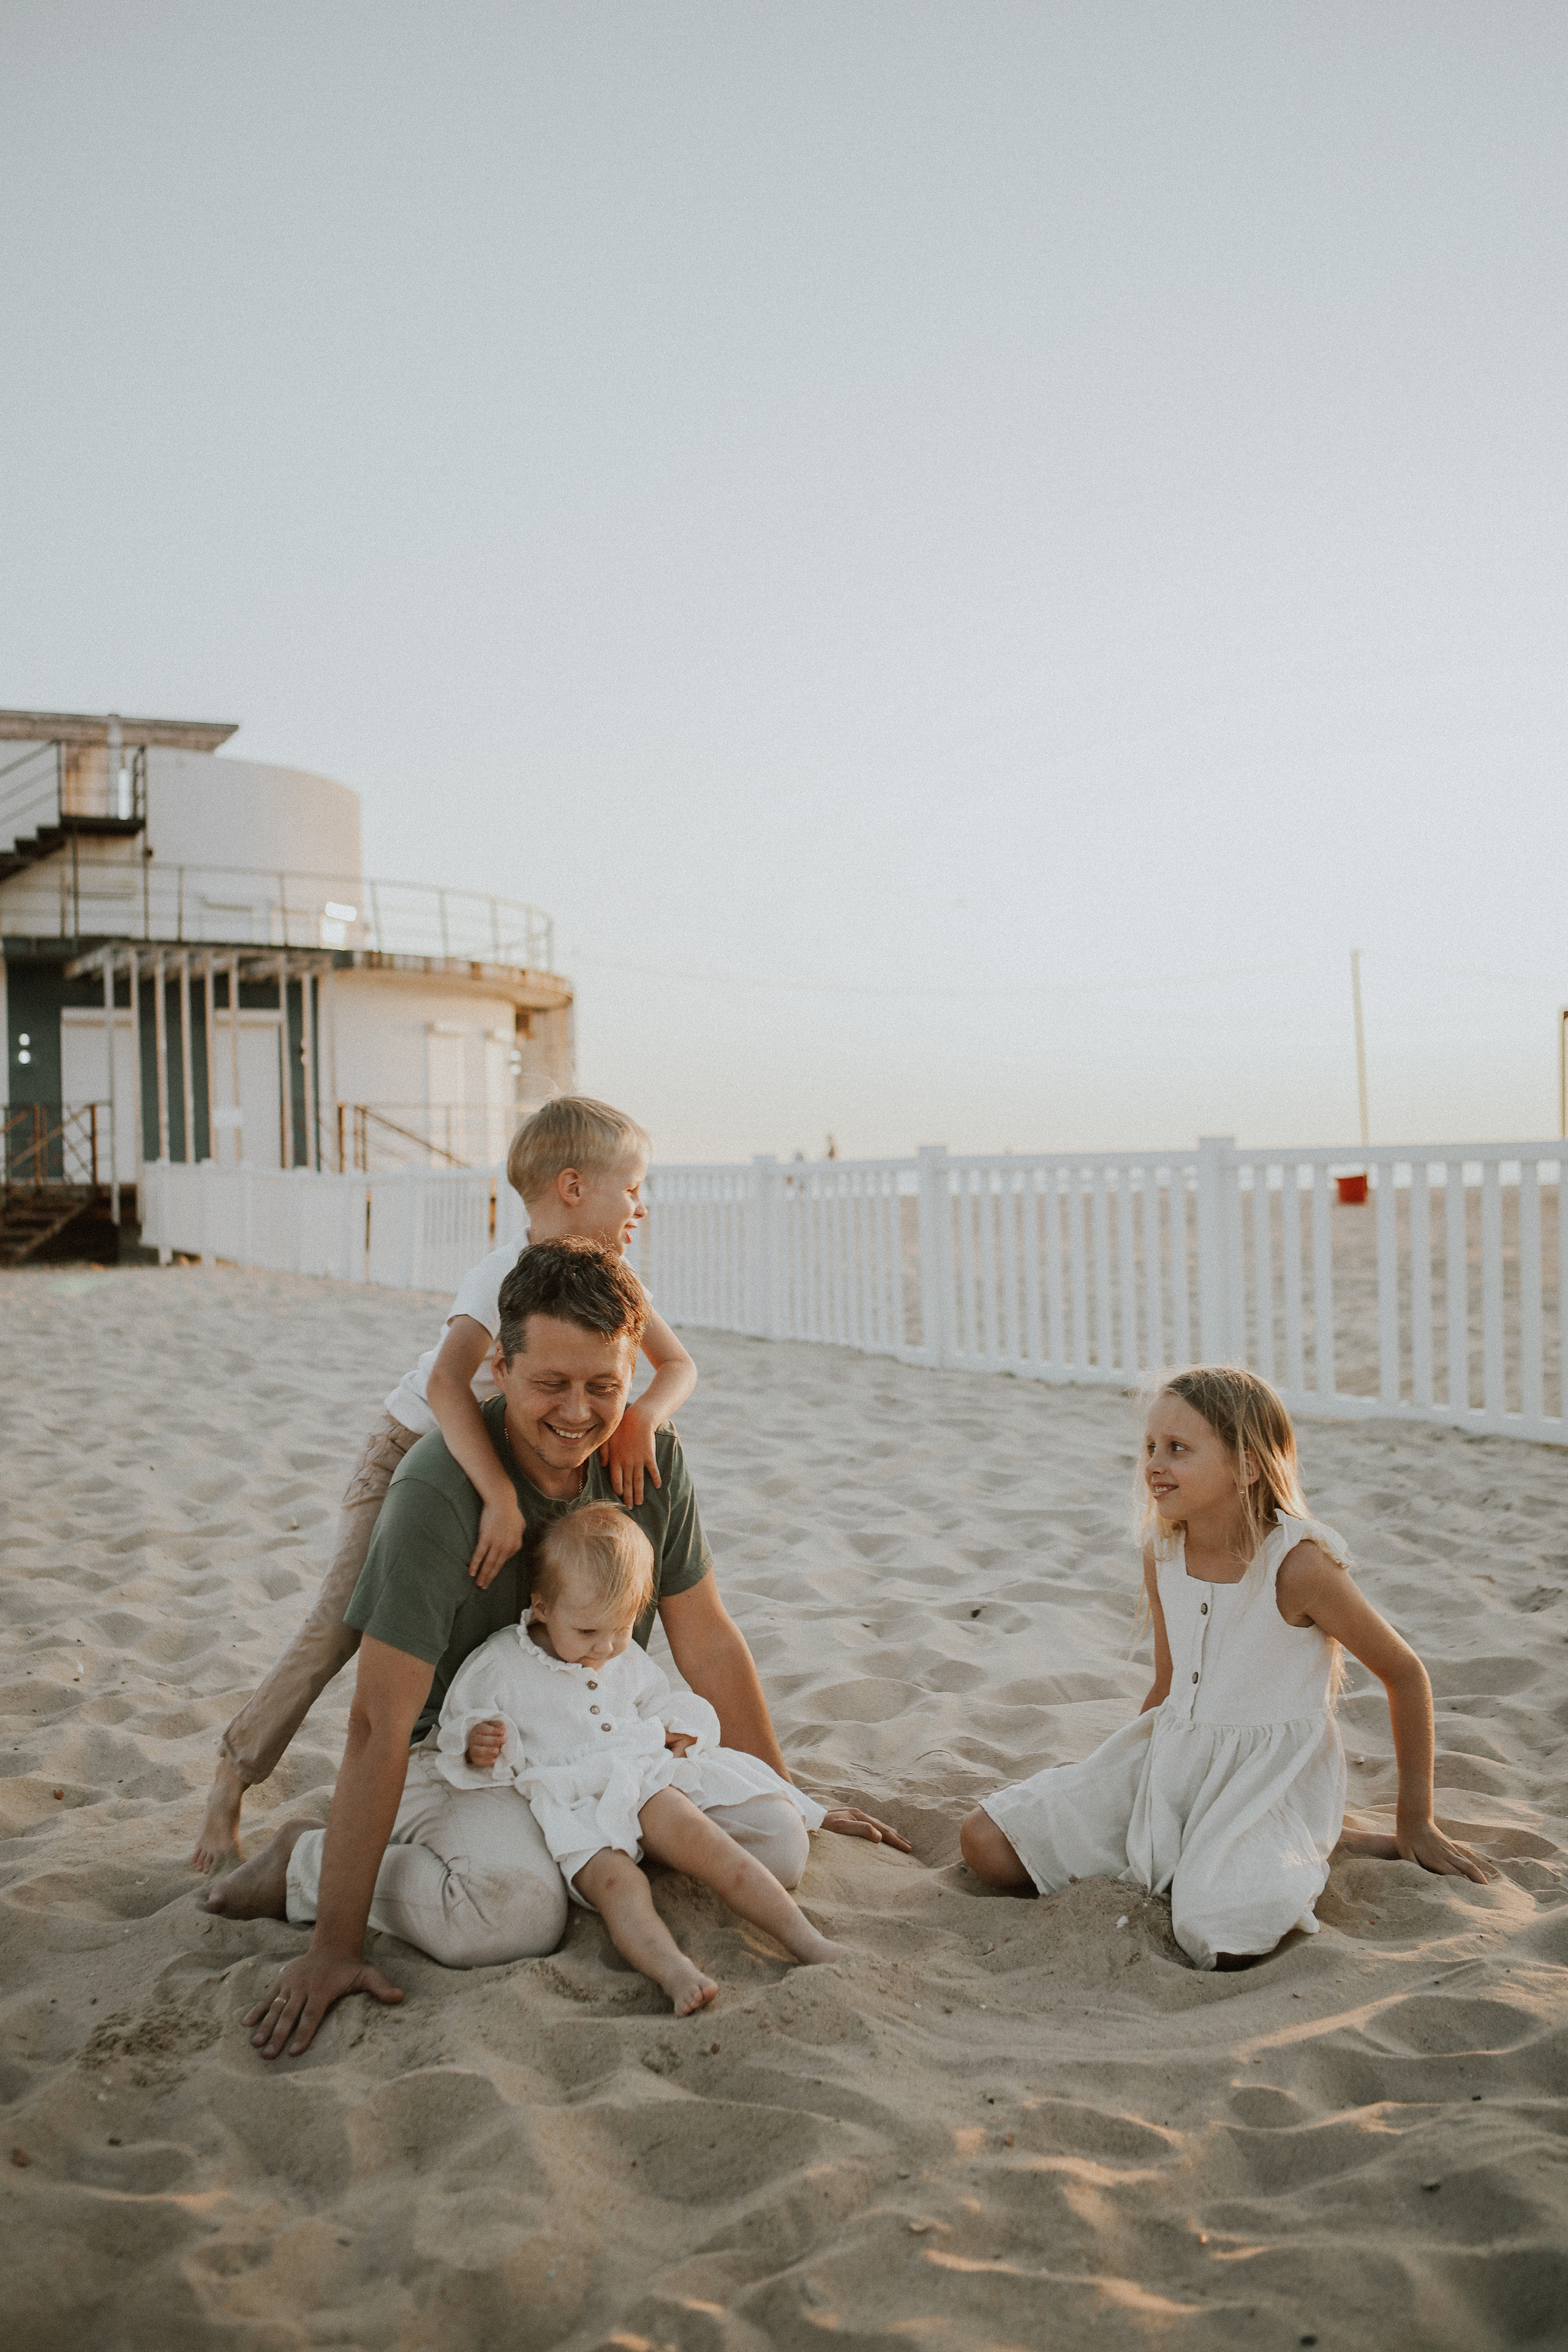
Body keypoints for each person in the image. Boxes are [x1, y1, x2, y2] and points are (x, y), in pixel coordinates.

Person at [213, 1238, 907, 2057]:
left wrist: (788, 1794)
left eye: (603, 1387)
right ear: (499, 1372)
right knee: (512, 1917)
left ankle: (586, 1853)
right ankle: (305, 1863)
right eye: (551, 1384)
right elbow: (376, 1722)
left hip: (607, 1737)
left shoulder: (647, 1459)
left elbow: (709, 1639)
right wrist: (334, 1948)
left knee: (775, 1844)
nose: (579, 1413)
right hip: (473, 1757)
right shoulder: (436, 1493)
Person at [191, 1095, 695, 1872]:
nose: (641, 1206)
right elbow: (445, 1385)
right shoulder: (502, 1272)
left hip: (518, 1450)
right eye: (631, 1188)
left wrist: (640, 1416)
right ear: (572, 1186)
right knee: (342, 1626)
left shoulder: (613, 1281)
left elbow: (679, 1366)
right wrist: (495, 1493)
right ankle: (235, 1773)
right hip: (415, 1453)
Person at [959, 1365, 1492, 1969]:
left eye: (1179, 1449)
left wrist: (1416, 1820)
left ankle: (1307, 1839)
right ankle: (1274, 1842)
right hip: (1172, 1758)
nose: (1155, 1464)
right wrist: (1121, 1782)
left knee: (1216, 1931)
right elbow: (1166, 1685)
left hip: (1264, 1780)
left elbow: (1405, 1673)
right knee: (987, 1843)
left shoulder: (1298, 1566)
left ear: (1246, 1466)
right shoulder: (1161, 1550)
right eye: (1150, 1447)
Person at [437, 1503, 843, 2015]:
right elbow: (458, 1724)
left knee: (708, 1843)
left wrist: (683, 1728)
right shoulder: (501, 1662)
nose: (605, 1648)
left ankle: (808, 1940)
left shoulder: (622, 1657)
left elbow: (661, 1700)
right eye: (587, 1633)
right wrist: (477, 1740)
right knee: (619, 1887)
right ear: (542, 1606)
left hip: (635, 1777)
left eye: (621, 1629)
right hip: (569, 1805)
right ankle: (675, 1972)